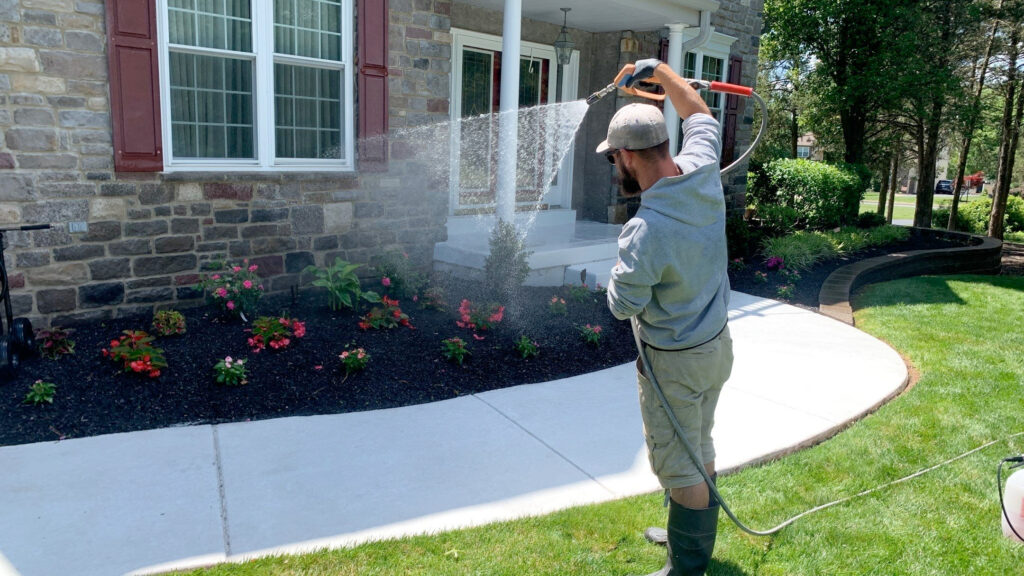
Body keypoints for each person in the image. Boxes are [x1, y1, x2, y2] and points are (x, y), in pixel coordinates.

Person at [603, 59, 734, 576]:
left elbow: (622, 306)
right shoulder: (702, 170)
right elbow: (700, 115)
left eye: (614, 157)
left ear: (630, 156)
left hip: (675, 364)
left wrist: (617, 271)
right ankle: (688, 537)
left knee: (679, 462)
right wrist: (660, 71)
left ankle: (687, 567)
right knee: (697, 444)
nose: (614, 166)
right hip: (716, 346)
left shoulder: (646, 229)